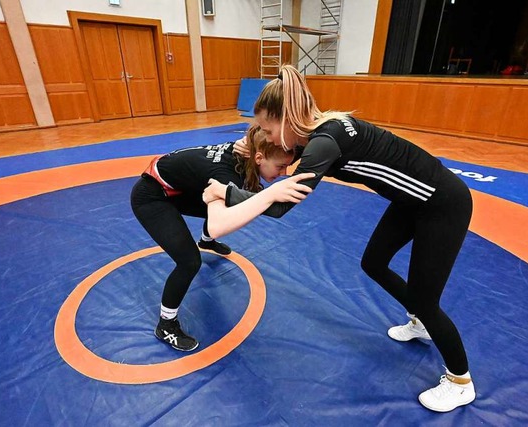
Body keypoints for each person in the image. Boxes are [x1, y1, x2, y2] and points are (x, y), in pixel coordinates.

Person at [202, 65, 476, 412]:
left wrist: (226, 193)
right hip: (413, 200)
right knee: (373, 262)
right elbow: (282, 151)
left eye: (270, 130)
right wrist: (253, 141)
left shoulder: (323, 144)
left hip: (442, 206)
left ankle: (460, 380)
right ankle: (420, 323)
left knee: (426, 299)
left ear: (288, 119)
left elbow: (277, 207)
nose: (269, 139)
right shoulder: (320, 129)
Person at [130, 125, 312, 352]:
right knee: (189, 262)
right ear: (258, 157)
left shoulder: (248, 148)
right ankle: (166, 324)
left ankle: (205, 242)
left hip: (177, 188)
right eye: (281, 166)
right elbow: (219, 225)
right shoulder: (228, 174)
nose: (283, 173)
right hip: (152, 197)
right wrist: (269, 195)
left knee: (224, 198)